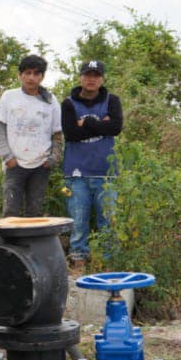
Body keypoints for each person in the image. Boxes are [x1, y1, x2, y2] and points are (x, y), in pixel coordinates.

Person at [61, 60, 124, 270]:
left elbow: (115, 128)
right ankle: (78, 260)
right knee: (78, 219)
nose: (91, 79)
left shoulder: (112, 101)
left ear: (102, 79)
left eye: (96, 75)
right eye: (88, 74)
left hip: (106, 173)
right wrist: (101, 125)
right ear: (80, 77)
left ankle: (108, 262)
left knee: (108, 220)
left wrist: (86, 122)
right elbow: (71, 133)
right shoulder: (69, 103)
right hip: (76, 172)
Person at [0, 54, 62, 217]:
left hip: (40, 164)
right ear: (20, 75)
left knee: (35, 211)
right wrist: (7, 156)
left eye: (36, 73)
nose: (31, 77)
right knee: (10, 211)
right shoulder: (9, 96)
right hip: (14, 163)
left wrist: (53, 158)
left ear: (42, 76)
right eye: (28, 72)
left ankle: (31, 243)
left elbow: (57, 134)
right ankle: (8, 243)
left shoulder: (51, 101)